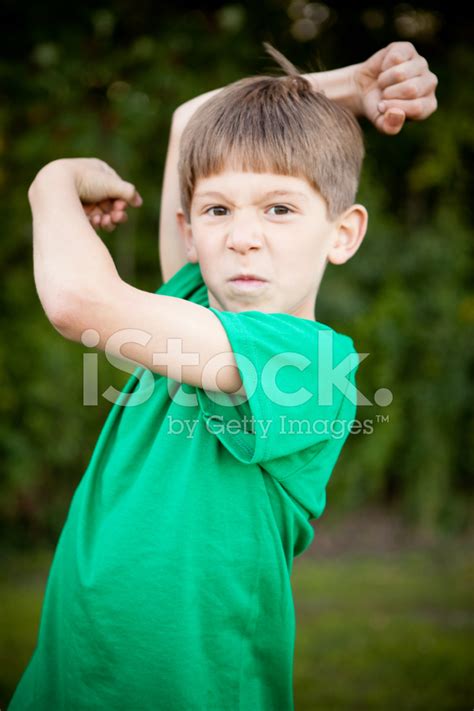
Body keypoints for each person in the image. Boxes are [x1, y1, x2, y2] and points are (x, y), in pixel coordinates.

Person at [8, 41, 438, 711]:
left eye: (279, 209)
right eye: (217, 211)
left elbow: (76, 302)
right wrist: (351, 85)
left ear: (343, 233)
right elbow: (193, 120)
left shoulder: (311, 365)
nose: (241, 236)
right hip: (67, 680)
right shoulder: (192, 295)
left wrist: (54, 180)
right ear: (189, 228)